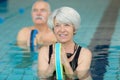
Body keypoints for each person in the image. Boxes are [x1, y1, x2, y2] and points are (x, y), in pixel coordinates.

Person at [38, 7, 92, 80]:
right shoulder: (44, 52)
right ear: (53, 29)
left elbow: (78, 78)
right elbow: (41, 77)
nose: (62, 30)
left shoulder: (84, 54)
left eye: (66, 25)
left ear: (74, 28)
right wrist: (51, 67)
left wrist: (65, 62)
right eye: (57, 25)